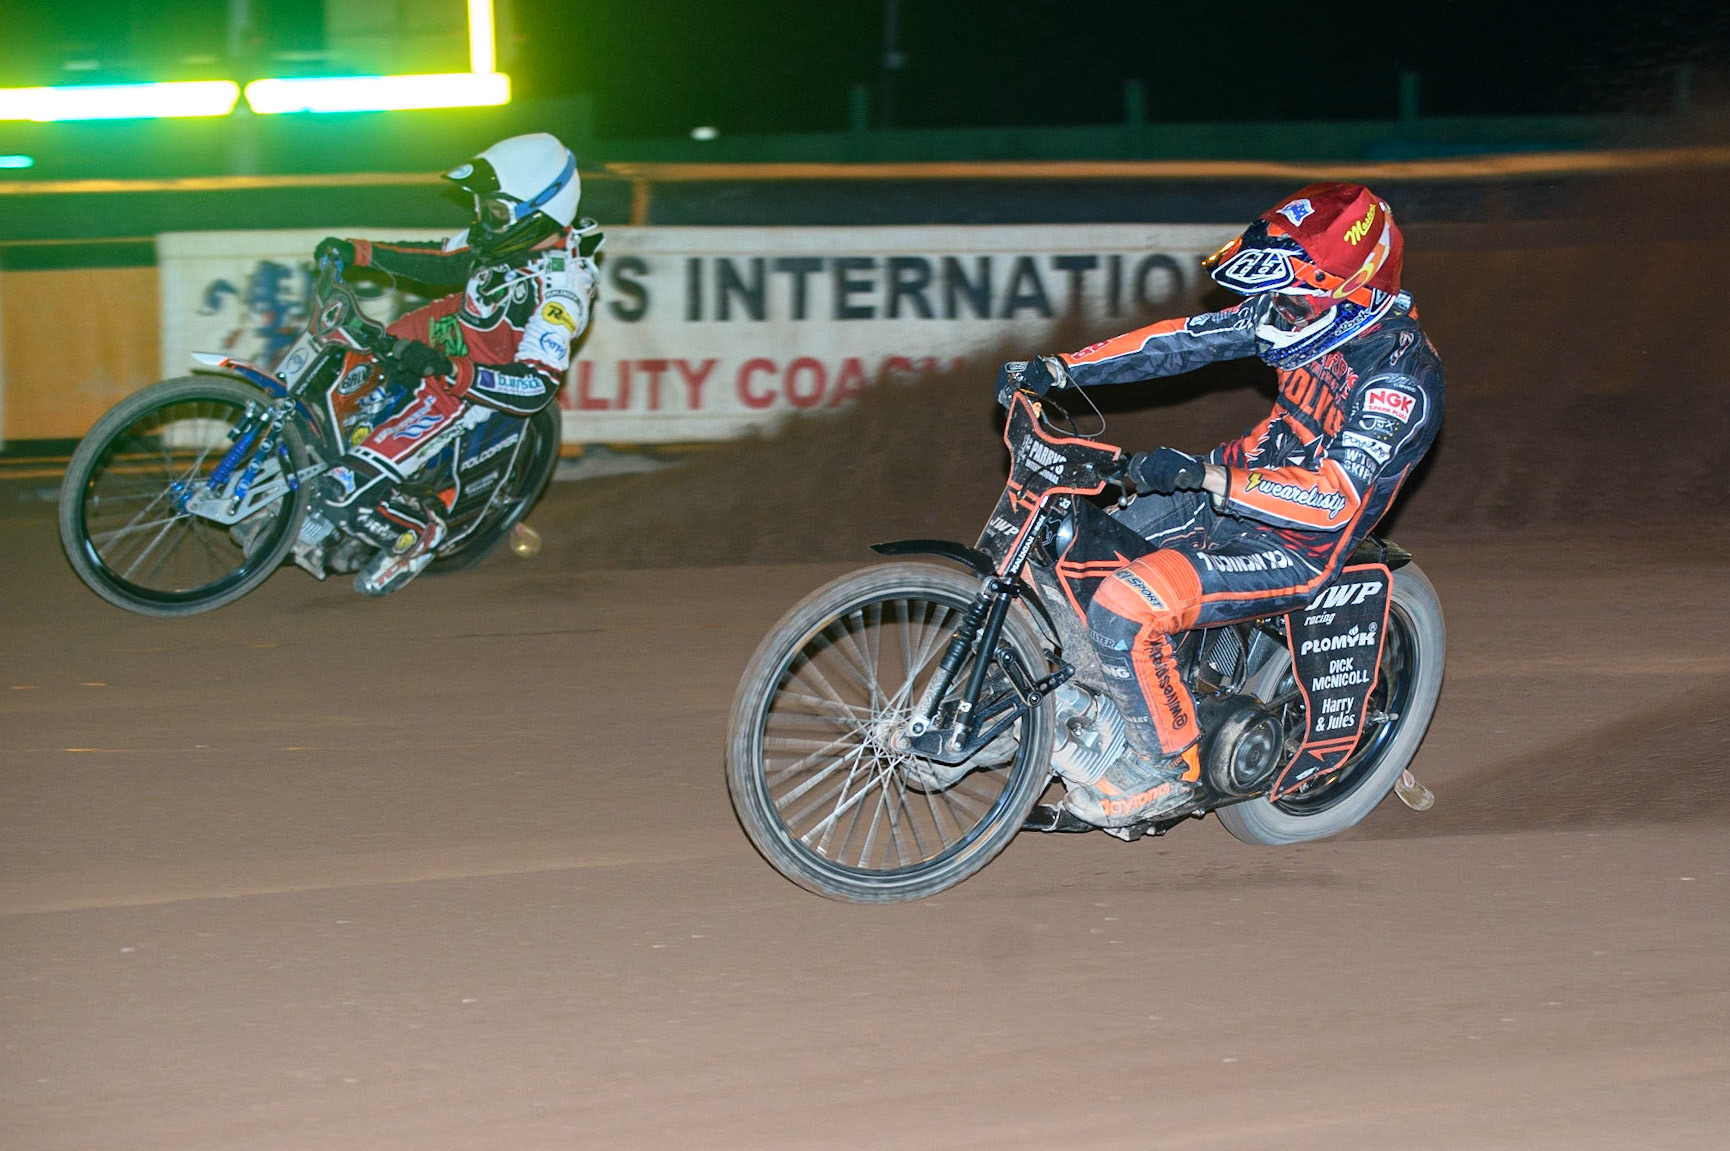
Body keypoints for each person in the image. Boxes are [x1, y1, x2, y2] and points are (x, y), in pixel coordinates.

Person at [996, 182, 1443, 828]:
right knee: (1068, 548)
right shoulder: (1298, 313)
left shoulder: (1401, 378)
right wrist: (1064, 368)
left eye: (1293, 296)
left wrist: (1211, 480)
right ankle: (1069, 707)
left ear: (1349, 292)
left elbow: (1331, 499)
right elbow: (1182, 339)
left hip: (1294, 545)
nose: (1276, 311)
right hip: (1228, 491)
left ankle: (1168, 770)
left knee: (1126, 605)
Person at [310, 132, 601, 595]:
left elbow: (536, 387)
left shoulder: (560, 291)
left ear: (541, 212)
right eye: (483, 206)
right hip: (437, 339)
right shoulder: (499, 238)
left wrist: (451, 372)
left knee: (341, 490)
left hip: (465, 389)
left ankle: (418, 534)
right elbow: (443, 261)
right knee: (327, 382)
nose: (482, 220)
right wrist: (360, 251)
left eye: (496, 210)